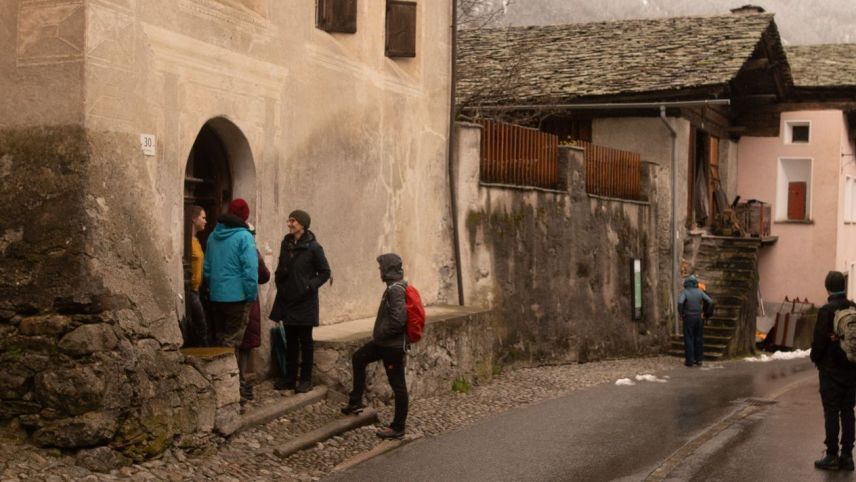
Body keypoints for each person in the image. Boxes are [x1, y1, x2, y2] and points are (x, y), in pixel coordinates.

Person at [341, 253, 409, 440]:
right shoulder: (393, 287)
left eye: (381, 267)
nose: (379, 270)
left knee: (398, 386)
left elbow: (398, 320)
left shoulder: (395, 289)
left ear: (388, 269)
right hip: (384, 343)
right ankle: (355, 402)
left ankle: (398, 427)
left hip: (391, 346)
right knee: (359, 358)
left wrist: (381, 333)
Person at [269, 210, 331, 393]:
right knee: (291, 342)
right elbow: (282, 266)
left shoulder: (314, 247)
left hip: (305, 302)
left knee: (305, 342)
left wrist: (309, 286)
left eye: (293, 221)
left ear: (302, 224)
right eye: (289, 220)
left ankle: (305, 380)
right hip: (288, 299)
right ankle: (289, 378)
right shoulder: (286, 243)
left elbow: (325, 272)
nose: (289, 223)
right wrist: (280, 280)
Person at [203, 198, 258, 400]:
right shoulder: (244, 237)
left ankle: (218, 389)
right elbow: (251, 271)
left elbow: (207, 269)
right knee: (232, 344)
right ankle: (231, 392)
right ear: (244, 216)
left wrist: (214, 288)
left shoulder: (213, 236)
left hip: (217, 297)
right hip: (238, 297)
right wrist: (250, 296)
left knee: (219, 342)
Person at [811, 271, 856, 471]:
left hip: (831, 370)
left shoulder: (827, 310)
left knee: (832, 411)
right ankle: (847, 456)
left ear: (828, 287)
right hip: (852, 367)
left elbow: (818, 343)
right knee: (848, 411)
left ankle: (831, 455)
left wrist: (816, 359)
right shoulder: (854, 308)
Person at [237, 226, 270, 402]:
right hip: (245, 299)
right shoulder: (250, 247)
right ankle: (240, 382)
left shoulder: (219, 240)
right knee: (244, 345)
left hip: (222, 298)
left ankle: (236, 382)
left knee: (231, 343)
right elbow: (263, 275)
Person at [677, 274, 713, 367]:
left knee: (689, 338)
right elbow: (710, 301)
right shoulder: (700, 292)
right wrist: (705, 313)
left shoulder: (685, 292)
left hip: (688, 317)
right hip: (699, 318)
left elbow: (680, 303)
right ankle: (699, 359)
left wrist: (681, 314)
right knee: (699, 338)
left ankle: (690, 360)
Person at [186, 205, 209, 347]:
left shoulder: (196, 241)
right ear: (194, 219)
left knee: (200, 327)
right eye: (203, 217)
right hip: (190, 292)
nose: (205, 221)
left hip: (196, 290)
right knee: (201, 328)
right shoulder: (187, 241)